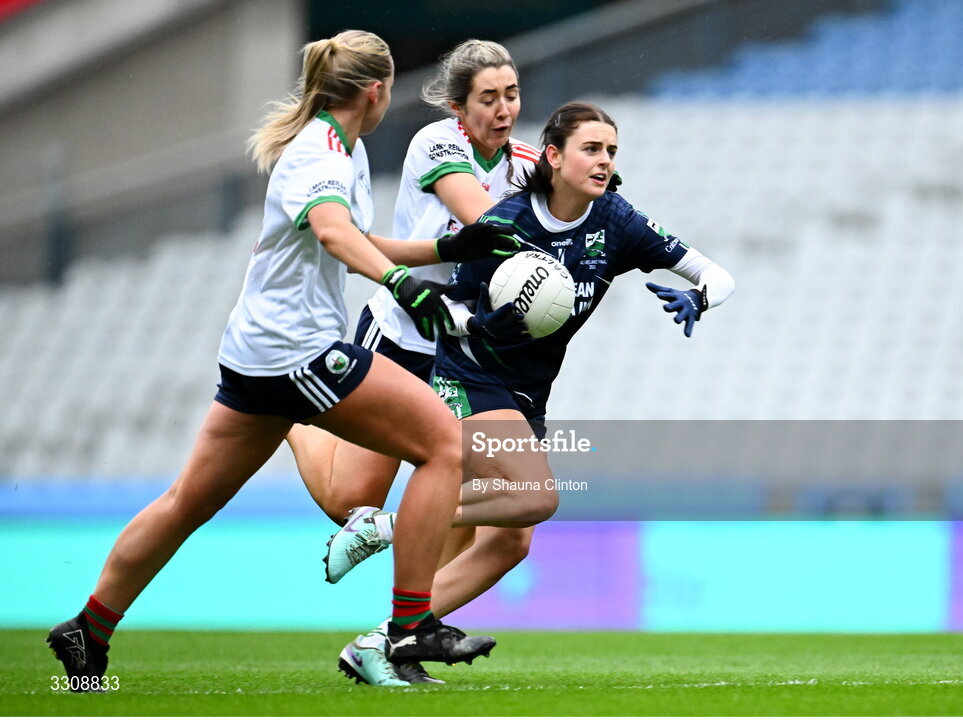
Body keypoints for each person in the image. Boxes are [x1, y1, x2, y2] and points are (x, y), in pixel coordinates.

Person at [45, 30, 520, 692]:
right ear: (377, 91)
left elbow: (356, 237)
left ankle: (88, 628)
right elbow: (332, 230)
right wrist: (400, 285)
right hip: (299, 350)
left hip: (258, 353)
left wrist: (438, 255)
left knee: (188, 502)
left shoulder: (337, 146)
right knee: (443, 443)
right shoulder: (324, 156)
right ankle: (411, 626)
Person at [317, 100, 736, 684]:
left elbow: (719, 275)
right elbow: (452, 310)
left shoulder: (616, 221)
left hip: (527, 394)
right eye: (591, 149)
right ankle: (383, 528)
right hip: (469, 375)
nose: (604, 160)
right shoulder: (504, 223)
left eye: (611, 151)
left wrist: (700, 297)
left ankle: (383, 644)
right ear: (554, 156)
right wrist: (477, 325)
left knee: (510, 542)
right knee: (537, 496)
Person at [284, 38, 546, 686]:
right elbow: (481, 217)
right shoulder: (438, 144)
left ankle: (388, 640)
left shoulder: (526, 163)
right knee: (350, 498)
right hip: (405, 338)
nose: (504, 107)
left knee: (509, 528)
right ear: (458, 106)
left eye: (511, 94)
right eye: (489, 97)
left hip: (470, 363)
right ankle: (290, 418)